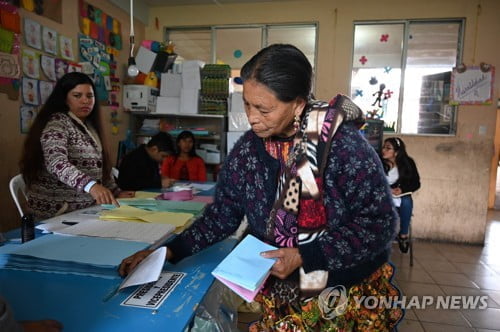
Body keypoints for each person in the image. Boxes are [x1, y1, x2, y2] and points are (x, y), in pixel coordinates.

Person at [120, 44, 402, 330]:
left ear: (298, 104)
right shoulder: (249, 151)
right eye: (247, 104)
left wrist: (306, 255)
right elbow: (223, 215)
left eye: (263, 109)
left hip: (339, 297)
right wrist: (167, 252)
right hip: (280, 294)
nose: (251, 117)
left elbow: (379, 223)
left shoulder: (343, 146)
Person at [19, 72, 134, 220]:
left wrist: (115, 191)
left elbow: (99, 168)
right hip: (56, 213)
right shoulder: (57, 123)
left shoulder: (90, 127)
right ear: (65, 99)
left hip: (85, 210)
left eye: (89, 96)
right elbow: (56, 162)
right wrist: (90, 186)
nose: (85, 101)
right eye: (77, 96)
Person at [382, 137, 421, 253]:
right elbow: (372, 181)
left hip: (398, 199)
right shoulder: (379, 163)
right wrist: (387, 189)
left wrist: (402, 189)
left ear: (397, 152)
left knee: (407, 201)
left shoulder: (407, 163)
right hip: (383, 198)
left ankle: (403, 235)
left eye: (388, 148)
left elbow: (416, 183)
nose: (384, 150)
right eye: (383, 147)